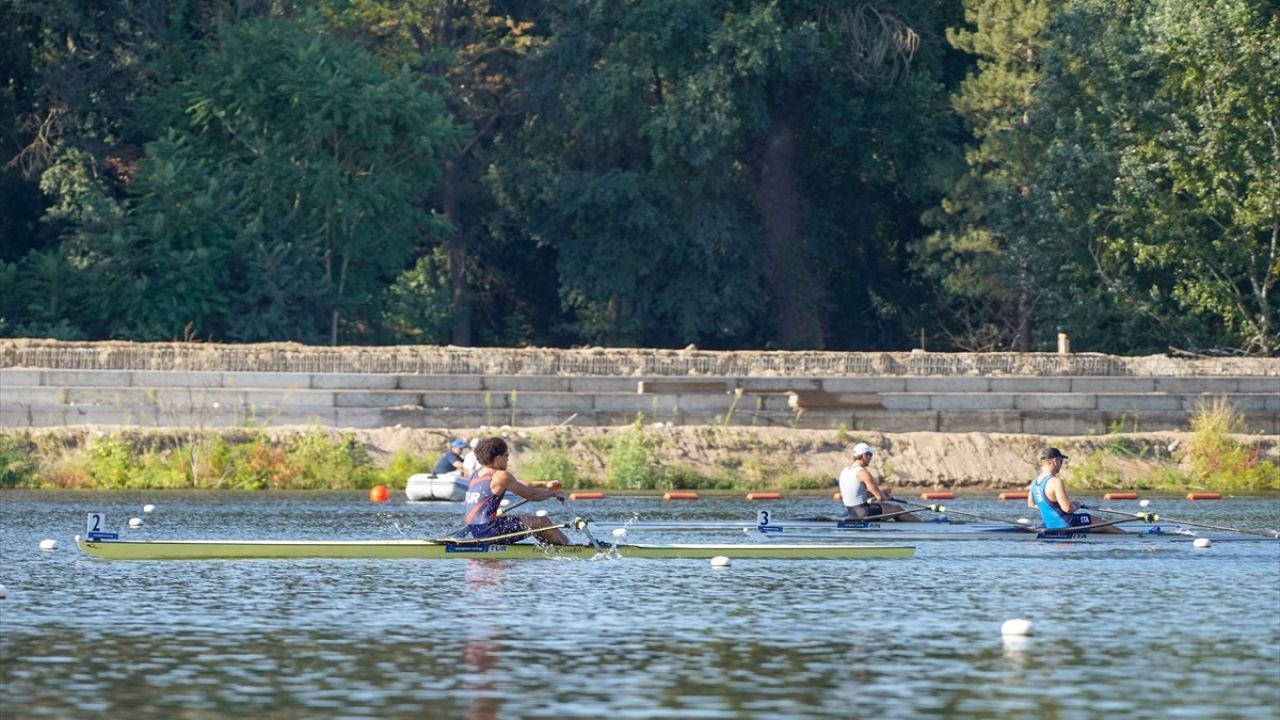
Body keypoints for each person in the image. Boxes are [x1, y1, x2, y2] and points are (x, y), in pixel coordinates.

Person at [462, 437, 568, 544]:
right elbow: (532, 495)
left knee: (521, 520)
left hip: (475, 529)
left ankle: (552, 547)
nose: (507, 459)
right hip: (490, 531)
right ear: (498, 458)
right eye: (506, 456)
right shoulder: (501, 476)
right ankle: (568, 549)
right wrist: (553, 493)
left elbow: (521, 484)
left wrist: (545, 484)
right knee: (541, 522)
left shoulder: (476, 474)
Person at [1027, 447, 1123, 532]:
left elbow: (1031, 504)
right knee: (1104, 523)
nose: (1061, 464)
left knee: (1097, 524)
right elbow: (1068, 508)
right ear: (1055, 461)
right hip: (1067, 524)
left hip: (1050, 525)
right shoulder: (1056, 482)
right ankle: (1131, 538)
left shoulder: (1034, 482)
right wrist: (1076, 505)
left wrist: (1053, 507)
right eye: (1061, 461)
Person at [837, 443, 919, 521]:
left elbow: (857, 494)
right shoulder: (862, 472)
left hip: (851, 512)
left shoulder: (845, 471)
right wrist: (885, 497)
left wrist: (881, 492)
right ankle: (922, 526)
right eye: (870, 455)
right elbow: (880, 498)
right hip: (864, 513)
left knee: (886, 509)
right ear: (865, 455)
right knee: (897, 509)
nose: (871, 458)